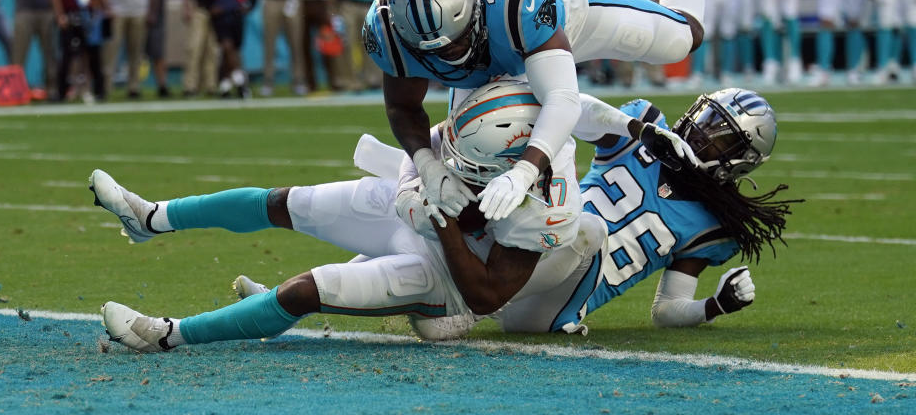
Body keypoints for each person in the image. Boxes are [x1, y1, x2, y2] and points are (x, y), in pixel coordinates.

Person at [91, 79, 616, 351]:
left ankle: (167, 335)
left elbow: (487, 293)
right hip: (416, 211)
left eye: (469, 165)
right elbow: (427, 146)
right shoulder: (497, 113)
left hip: (451, 279)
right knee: (288, 202)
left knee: (304, 292)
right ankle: (152, 217)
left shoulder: (546, 210)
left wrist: (443, 220)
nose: (458, 162)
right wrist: (423, 179)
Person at [362, 0, 757, 228]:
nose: (449, 53)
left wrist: (524, 172)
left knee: (683, 38)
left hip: (562, 21)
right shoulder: (388, 30)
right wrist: (428, 166)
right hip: (498, 54)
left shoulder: (521, 0)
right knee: (472, 154)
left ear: (474, 6)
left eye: (457, 39)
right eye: (432, 50)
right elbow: (402, 107)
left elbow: (562, 99)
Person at [401, 88, 796, 338]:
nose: (700, 134)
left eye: (719, 138)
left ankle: (471, 307)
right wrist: (633, 127)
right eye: (706, 119)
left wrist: (716, 305)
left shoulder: (714, 226)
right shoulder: (647, 125)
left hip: (552, 307)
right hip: (525, 247)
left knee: (589, 231)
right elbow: (573, 115)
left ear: (738, 163)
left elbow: (666, 310)